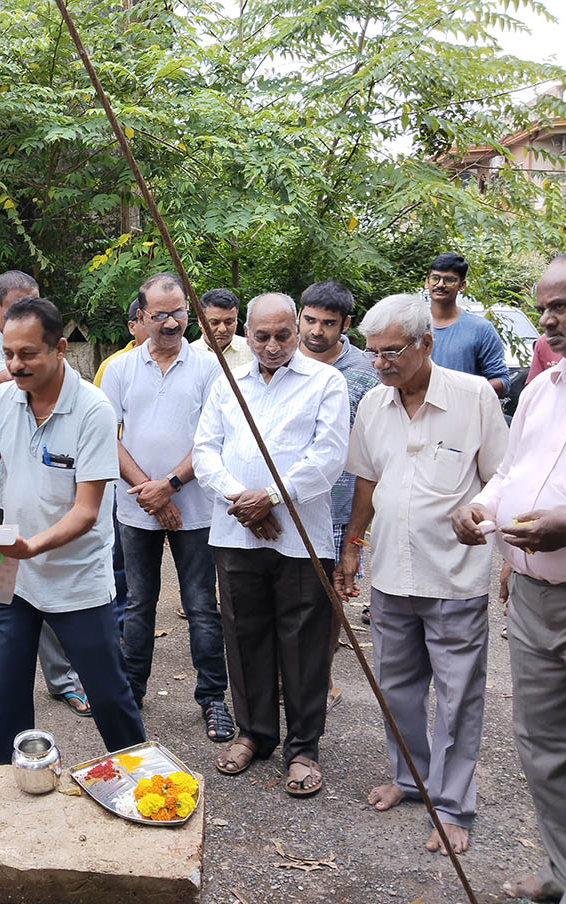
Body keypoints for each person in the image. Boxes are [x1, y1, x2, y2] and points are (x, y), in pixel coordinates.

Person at [451, 249, 566, 904]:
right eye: (541, 306)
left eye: (560, 304)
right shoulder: (540, 386)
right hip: (533, 601)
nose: (545, 321)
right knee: (543, 750)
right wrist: (484, 504)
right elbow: (512, 471)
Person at [336, 294, 507, 856]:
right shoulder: (373, 406)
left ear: (425, 344)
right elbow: (365, 481)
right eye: (373, 353)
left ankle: (453, 804)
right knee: (397, 689)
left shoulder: (474, 396)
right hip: (390, 572)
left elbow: (504, 478)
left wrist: (481, 513)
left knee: (458, 696)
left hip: (453, 573)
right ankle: (411, 780)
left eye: (391, 352)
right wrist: (352, 549)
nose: (380, 364)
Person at [0, 296, 147, 763]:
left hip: (74, 575)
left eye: (27, 354)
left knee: (108, 693)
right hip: (2, 567)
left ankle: (143, 781)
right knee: (3, 694)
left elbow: (86, 512)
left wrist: (31, 547)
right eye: (8, 354)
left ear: (60, 348)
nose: (15, 365)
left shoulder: (93, 410)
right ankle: (8, 785)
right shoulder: (1, 400)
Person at [192, 293, 349, 797]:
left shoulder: (326, 382)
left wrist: (272, 498)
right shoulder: (227, 381)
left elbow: (327, 457)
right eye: (262, 336)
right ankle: (254, 733)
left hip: (301, 537)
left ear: (297, 331)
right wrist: (243, 500)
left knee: (302, 641)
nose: (273, 345)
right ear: (247, 333)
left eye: (284, 335)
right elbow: (204, 452)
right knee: (243, 633)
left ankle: (303, 748)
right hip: (236, 531)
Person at [101, 273, 230, 741]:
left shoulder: (209, 368)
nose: (171, 322)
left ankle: (213, 697)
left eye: (179, 313)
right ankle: (130, 692)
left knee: (201, 605)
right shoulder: (119, 369)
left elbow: (214, 438)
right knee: (138, 604)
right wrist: (150, 493)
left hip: (195, 507)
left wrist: (171, 486)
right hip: (136, 508)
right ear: (141, 317)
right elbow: (106, 437)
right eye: (161, 314)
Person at [0, 271, 87, 717]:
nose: (30, 313)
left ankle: (64, 680)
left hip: (39, 491)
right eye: (18, 306)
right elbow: (16, 384)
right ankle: (1, 688)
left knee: (44, 578)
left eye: (37, 303)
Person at [296, 279, 379, 678]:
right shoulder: (279, 361)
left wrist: (356, 537)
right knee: (283, 595)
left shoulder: (365, 374)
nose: (316, 330)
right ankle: (283, 676)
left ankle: (318, 680)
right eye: (309, 319)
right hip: (285, 499)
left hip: (339, 506)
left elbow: (372, 456)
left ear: (345, 324)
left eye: (328, 323)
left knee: (327, 598)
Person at [94, 297, 148, 628]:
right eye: (151, 318)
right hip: (122, 481)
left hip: (174, 482)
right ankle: (117, 625)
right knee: (118, 557)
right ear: (133, 325)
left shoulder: (189, 362)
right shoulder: (114, 366)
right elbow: (104, 432)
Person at [423, 251, 509, 396]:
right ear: (427, 282)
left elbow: (501, 381)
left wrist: (464, 395)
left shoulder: (480, 329)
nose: (440, 285)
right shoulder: (410, 325)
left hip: (463, 415)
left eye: (449, 280)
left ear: (462, 285)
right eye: (435, 278)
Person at [196, 288, 253, 369]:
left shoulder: (253, 352)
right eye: (214, 322)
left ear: (236, 320)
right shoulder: (188, 356)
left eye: (229, 322)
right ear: (200, 321)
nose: (222, 329)